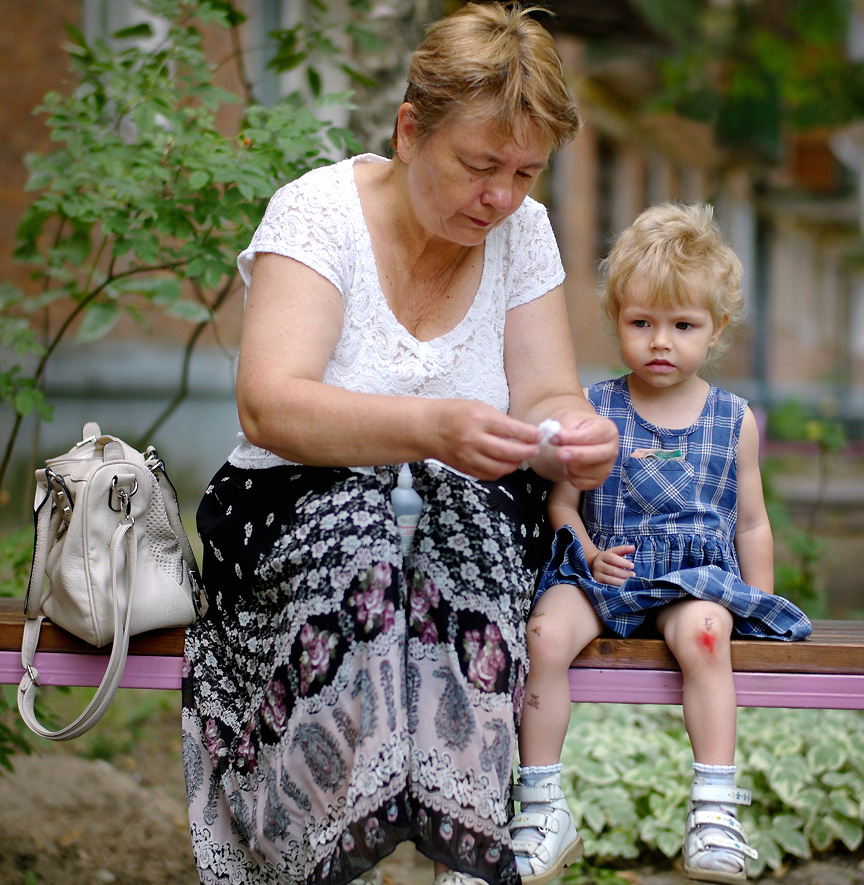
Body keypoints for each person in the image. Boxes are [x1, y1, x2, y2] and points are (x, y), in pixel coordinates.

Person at [180, 4, 620, 885]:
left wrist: (577, 435)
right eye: (479, 164)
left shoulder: (523, 232)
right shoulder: (315, 213)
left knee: (473, 534)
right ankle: (314, 851)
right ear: (411, 130)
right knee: (360, 551)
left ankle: (467, 849)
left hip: (456, 502)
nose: (501, 195)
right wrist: (429, 427)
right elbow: (271, 404)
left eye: (527, 171)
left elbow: (545, 393)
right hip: (293, 501)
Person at [508, 202, 812, 885]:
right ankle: (542, 805)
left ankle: (712, 809)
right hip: (605, 568)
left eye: (683, 325)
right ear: (617, 317)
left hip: (695, 577)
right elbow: (563, 501)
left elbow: (752, 521)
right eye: (641, 323)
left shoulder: (734, 420)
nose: (660, 342)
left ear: (717, 328)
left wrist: (756, 600)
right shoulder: (593, 405)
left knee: (705, 633)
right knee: (545, 634)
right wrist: (586, 553)